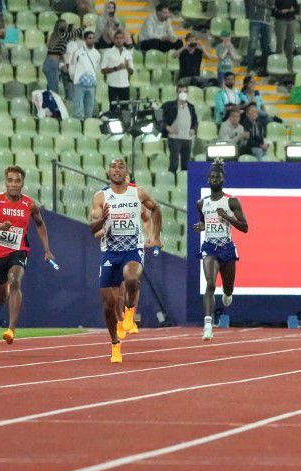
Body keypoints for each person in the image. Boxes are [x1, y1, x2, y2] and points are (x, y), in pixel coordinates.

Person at [89, 158, 160, 363]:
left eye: (121, 167)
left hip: (133, 249)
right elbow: (93, 227)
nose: (117, 170)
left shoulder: (138, 193)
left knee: (131, 278)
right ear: (107, 172)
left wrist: (155, 236)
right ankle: (115, 345)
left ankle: (129, 314)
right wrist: (101, 220)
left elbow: (154, 210)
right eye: (113, 167)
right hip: (110, 252)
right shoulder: (101, 197)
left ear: (127, 172)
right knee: (108, 304)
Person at [0, 166, 55, 344]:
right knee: (0, 297)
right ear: (6, 183)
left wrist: (47, 249)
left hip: (19, 250)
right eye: (10, 181)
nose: (13, 184)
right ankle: (5, 290)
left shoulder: (29, 204)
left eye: (17, 181)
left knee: (15, 280)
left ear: (22, 183)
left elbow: (40, 224)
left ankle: (11, 330)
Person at [194, 159, 249, 341]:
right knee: (210, 284)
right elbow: (204, 220)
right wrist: (201, 226)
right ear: (208, 180)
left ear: (223, 180)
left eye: (218, 176)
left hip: (227, 248)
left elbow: (245, 227)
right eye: (212, 177)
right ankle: (208, 325)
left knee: (228, 288)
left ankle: (227, 293)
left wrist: (227, 217)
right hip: (210, 247)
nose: (215, 179)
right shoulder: (201, 203)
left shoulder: (231, 202)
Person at [161, 83, 198, 172]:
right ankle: (171, 182)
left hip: (187, 139)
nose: (183, 93)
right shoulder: (169, 105)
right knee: (174, 163)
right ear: (176, 93)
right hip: (174, 139)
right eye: (180, 91)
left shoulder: (191, 107)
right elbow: (157, 116)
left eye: (185, 91)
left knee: (186, 165)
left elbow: (195, 121)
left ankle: (184, 183)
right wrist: (167, 127)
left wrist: (193, 129)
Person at [68, 30, 101, 120]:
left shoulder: (97, 54)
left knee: (89, 110)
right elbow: (72, 66)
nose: (92, 40)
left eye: (93, 38)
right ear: (85, 40)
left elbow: (97, 68)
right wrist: (74, 78)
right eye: (89, 38)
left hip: (91, 85)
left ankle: (87, 127)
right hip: (79, 84)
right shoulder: (77, 52)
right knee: (78, 109)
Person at [101, 29, 133, 113]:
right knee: (113, 110)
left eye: (121, 38)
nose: (119, 40)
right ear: (114, 39)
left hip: (125, 85)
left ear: (124, 40)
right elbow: (103, 70)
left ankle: (126, 126)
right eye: (117, 38)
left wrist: (127, 67)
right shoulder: (108, 52)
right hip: (113, 85)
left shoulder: (128, 53)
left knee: (125, 111)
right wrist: (116, 68)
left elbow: (131, 72)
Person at [246, 0, 275, 73]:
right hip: (255, 20)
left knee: (266, 46)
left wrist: (267, 5)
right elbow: (256, 2)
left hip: (267, 22)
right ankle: (250, 68)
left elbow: (273, 5)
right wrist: (267, 5)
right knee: (252, 45)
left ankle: (263, 69)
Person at [273, 0, 298, 69]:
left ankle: (290, 66)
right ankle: (278, 66)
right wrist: (281, 12)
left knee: (290, 44)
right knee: (280, 44)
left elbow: (296, 8)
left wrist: (292, 10)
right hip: (280, 21)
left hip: (291, 20)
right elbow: (272, 10)